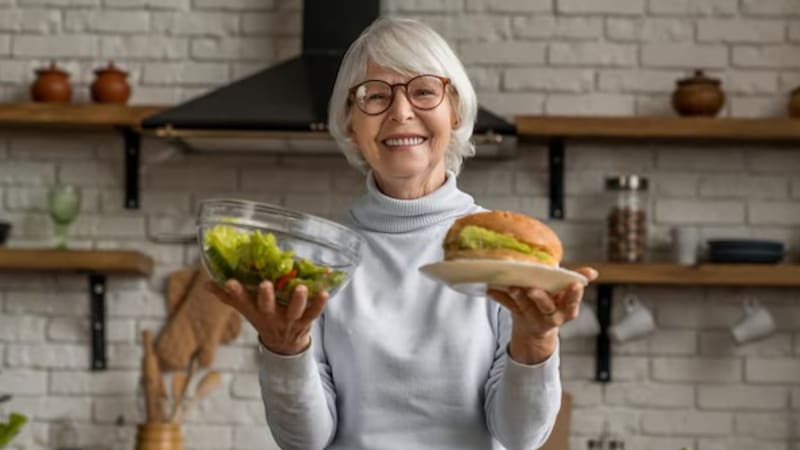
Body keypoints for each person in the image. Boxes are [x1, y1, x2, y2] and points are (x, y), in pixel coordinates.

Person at [208, 16, 597, 450]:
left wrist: (537, 341)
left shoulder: (504, 258)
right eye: (375, 96)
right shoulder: (318, 259)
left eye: (424, 91)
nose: (401, 111)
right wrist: (284, 350)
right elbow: (305, 442)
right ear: (351, 125)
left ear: (456, 111)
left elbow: (521, 437)